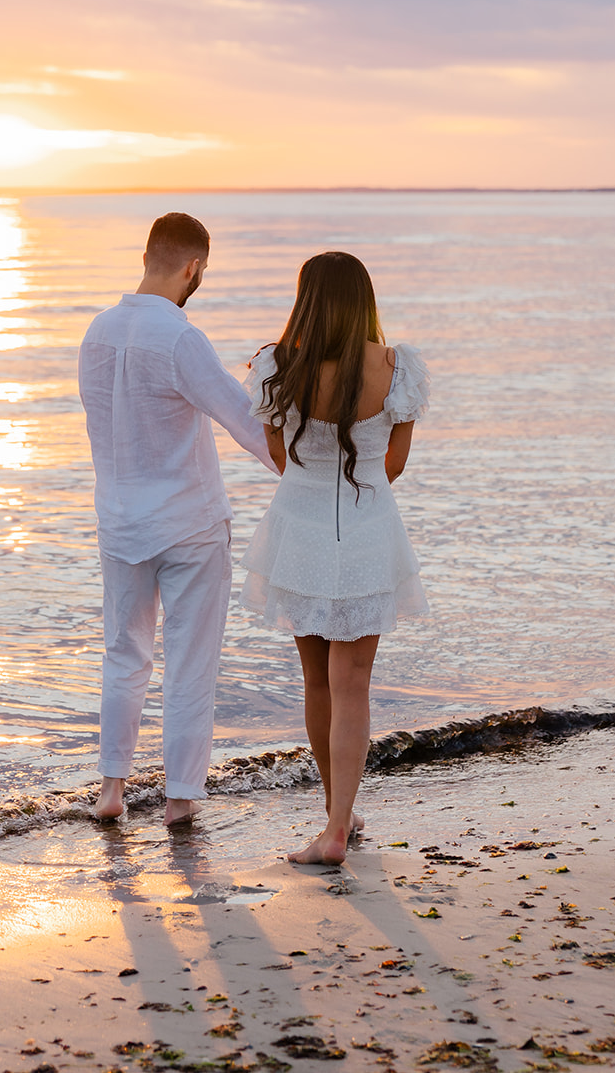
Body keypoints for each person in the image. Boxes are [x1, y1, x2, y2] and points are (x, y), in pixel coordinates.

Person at [78, 211, 278, 826]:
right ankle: (180, 798)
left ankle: (112, 792)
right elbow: (246, 423)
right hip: (188, 524)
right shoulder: (180, 338)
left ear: (147, 256)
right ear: (194, 267)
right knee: (189, 661)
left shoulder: (97, 332)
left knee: (124, 654)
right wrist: (314, 469)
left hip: (120, 521)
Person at [240, 251, 429, 864]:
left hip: (298, 530)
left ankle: (333, 820)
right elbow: (394, 464)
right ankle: (340, 823)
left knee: (317, 680)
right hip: (370, 527)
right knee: (355, 684)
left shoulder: (275, 365)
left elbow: (278, 455)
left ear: (306, 299)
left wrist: (314, 483)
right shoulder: (398, 368)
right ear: (364, 300)